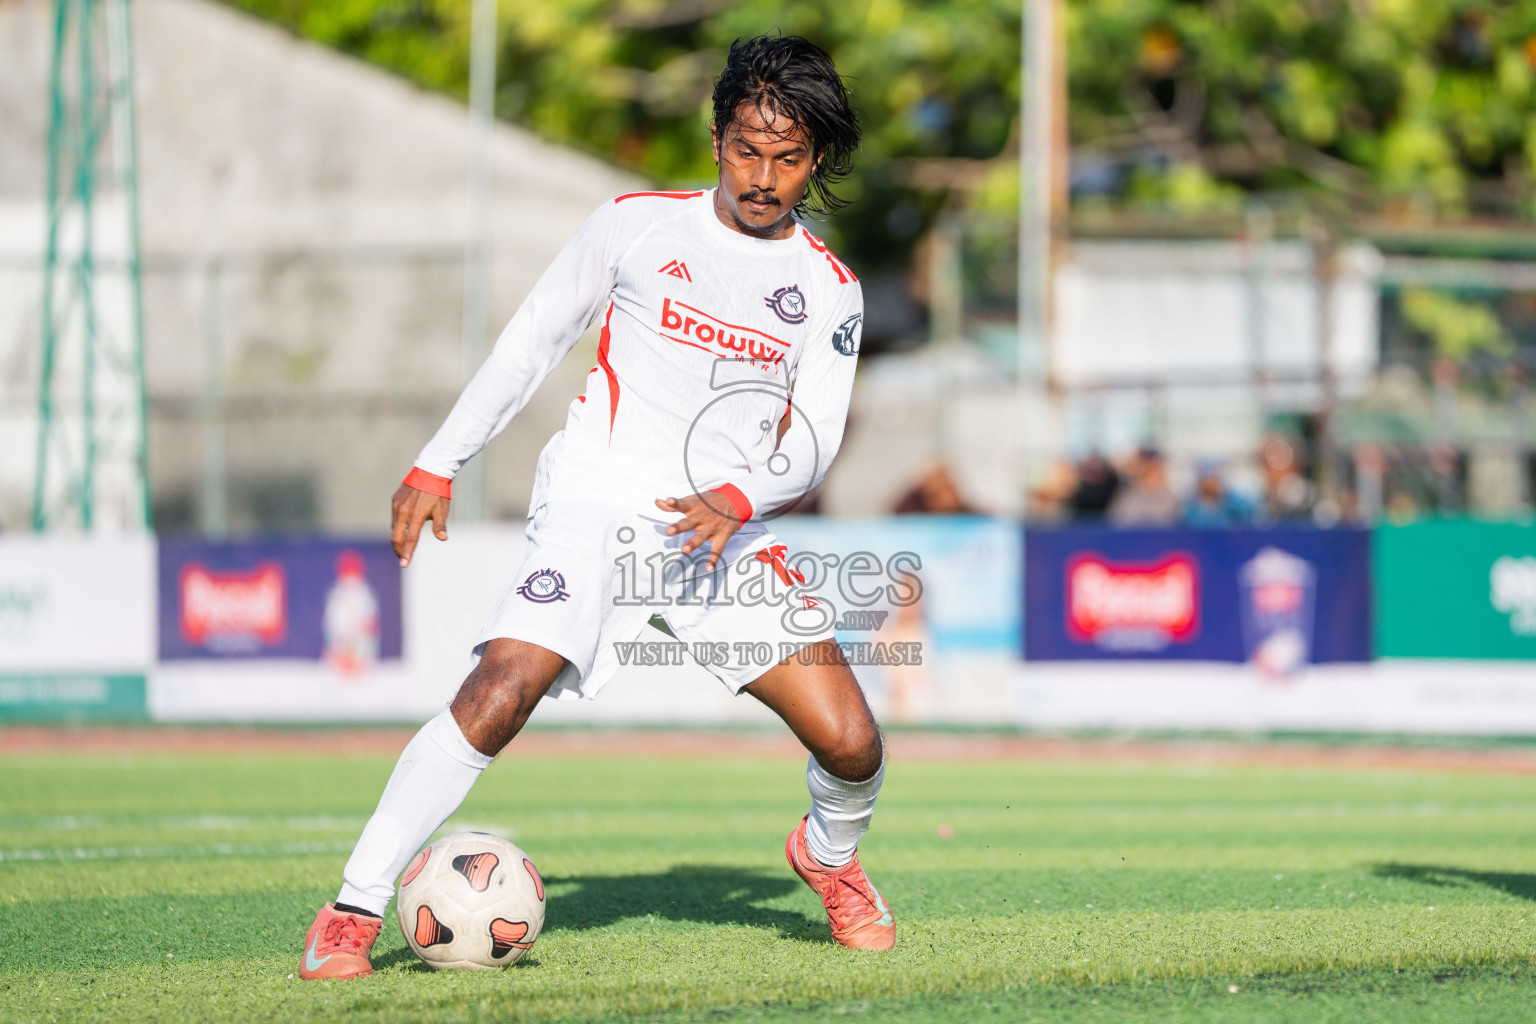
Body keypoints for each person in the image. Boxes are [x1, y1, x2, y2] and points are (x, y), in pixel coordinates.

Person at [298, 36, 894, 980]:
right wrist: (436, 463)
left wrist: (739, 496)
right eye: (747, 148)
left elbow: (816, 436)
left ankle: (827, 857)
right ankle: (351, 912)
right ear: (716, 139)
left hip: (721, 534)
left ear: (815, 159)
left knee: (855, 745)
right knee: (500, 690)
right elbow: (529, 343)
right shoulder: (634, 226)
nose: (764, 176)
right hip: (594, 504)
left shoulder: (829, 291)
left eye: (787, 157)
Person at [1107, 446, 1180, 527]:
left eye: (1153, 464)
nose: (1149, 468)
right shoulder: (1127, 496)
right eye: (1144, 463)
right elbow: (1116, 523)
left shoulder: (1169, 498)